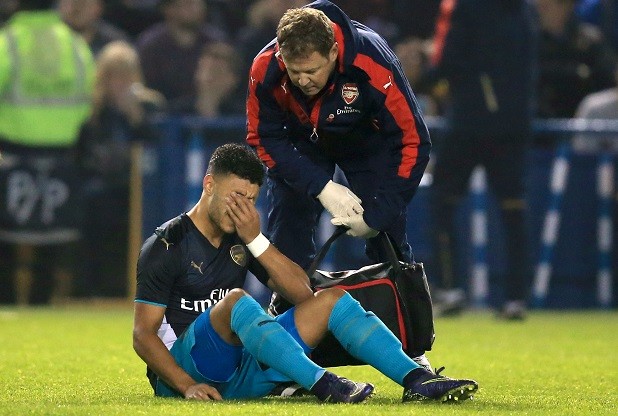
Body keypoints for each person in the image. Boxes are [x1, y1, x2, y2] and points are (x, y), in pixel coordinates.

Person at [132, 143, 478, 403]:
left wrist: (255, 240)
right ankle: (323, 383)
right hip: (186, 372)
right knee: (238, 301)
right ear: (209, 184)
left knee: (333, 301)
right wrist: (186, 385)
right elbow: (143, 335)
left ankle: (416, 379)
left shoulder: (243, 234)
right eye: (236, 195)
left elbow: (301, 294)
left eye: (251, 200)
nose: (243, 207)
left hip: (240, 372)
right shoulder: (167, 245)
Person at [427, 0, 538, 319]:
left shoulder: (462, 6)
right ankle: (516, 297)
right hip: (516, 122)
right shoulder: (525, 10)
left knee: (443, 201)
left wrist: (427, 78)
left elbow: (445, 59)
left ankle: (450, 288)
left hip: (470, 121)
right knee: (513, 208)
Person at [0, 0, 95, 305]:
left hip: (11, 153)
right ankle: (42, 307)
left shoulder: (8, 42)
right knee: (53, 243)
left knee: (7, 242)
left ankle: (7, 305)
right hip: (63, 155)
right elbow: (87, 100)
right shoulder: (75, 44)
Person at [76, 40, 166, 298]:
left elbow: (160, 147)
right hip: (104, 189)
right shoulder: (93, 114)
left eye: (126, 75)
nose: (121, 83)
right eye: (113, 76)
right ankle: (97, 289)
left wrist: (137, 119)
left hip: (143, 189)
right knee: (96, 207)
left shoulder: (151, 106)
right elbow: (84, 156)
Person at [135, 0, 227, 102]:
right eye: (188, 3)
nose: (195, 8)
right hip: (162, 112)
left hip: (207, 110)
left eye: (198, 3)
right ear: (169, 9)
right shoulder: (151, 46)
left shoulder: (216, 43)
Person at [57, 0, 130, 57]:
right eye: (72, 1)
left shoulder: (115, 46)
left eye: (83, 3)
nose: (76, 8)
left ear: (98, 7)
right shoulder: (47, 37)